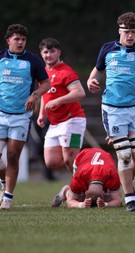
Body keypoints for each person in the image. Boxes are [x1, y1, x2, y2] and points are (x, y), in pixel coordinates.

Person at [87, 12, 135, 212]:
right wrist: (92, 81)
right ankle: (129, 197)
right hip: (112, 109)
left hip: (134, 110)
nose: (130, 36)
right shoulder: (107, 49)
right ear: (119, 31)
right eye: (127, 32)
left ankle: (124, 182)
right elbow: (97, 71)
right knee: (124, 155)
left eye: (133, 32)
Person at [0, 24, 50, 210]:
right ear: (8, 41)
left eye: (23, 39)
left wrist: (35, 95)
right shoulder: (0, 59)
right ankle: (4, 183)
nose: (20, 42)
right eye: (17, 39)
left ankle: (8, 198)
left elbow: (46, 83)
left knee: (13, 157)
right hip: (0, 114)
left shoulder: (33, 61)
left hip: (21, 117)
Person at [37, 37, 86, 174]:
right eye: (45, 52)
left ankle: (82, 190)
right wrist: (42, 114)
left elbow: (80, 92)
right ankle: (89, 165)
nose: (49, 55)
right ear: (41, 54)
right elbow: (45, 94)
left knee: (70, 160)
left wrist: (58, 101)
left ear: (59, 52)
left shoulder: (66, 72)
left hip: (73, 121)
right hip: (55, 123)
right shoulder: (44, 72)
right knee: (51, 161)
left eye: (52, 51)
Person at [51, 148, 122, 208]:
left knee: (109, 198)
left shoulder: (112, 174)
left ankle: (79, 195)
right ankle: (66, 191)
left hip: (102, 159)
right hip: (83, 156)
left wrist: (105, 204)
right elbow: (70, 202)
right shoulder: (79, 176)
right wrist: (81, 204)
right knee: (79, 198)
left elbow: (119, 201)